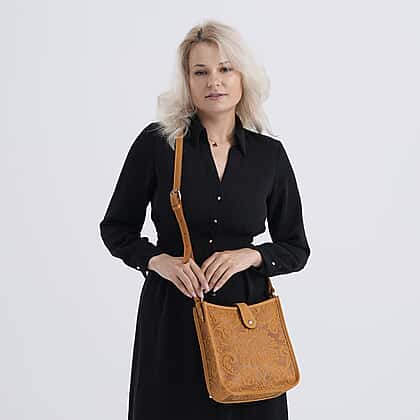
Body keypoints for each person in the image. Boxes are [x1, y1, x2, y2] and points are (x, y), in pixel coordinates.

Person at [99, 19, 310, 420]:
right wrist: (158, 261)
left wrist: (250, 256)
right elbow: (116, 228)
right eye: (201, 72)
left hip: (246, 322)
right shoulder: (158, 144)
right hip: (173, 317)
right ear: (187, 81)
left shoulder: (269, 155)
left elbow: (296, 248)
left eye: (225, 68)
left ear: (243, 76)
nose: (214, 81)